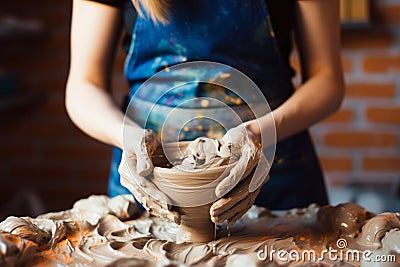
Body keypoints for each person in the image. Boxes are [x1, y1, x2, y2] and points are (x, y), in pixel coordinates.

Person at [65, 0, 344, 225]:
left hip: (274, 172)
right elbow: (83, 86)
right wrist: (126, 136)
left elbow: (327, 80)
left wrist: (259, 132)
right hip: (151, 178)